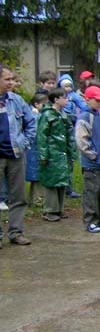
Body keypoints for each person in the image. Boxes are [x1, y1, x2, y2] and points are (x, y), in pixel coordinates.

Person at [0, 64, 36, 246]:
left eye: (12, 79)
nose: (11, 82)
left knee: (18, 196)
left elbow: (31, 123)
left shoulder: (16, 100)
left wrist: (25, 143)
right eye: (7, 79)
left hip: (15, 154)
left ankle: (16, 232)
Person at [75, 86, 100, 233]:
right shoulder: (84, 117)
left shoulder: (99, 115)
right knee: (91, 193)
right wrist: (93, 155)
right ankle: (90, 221)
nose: (99, 103)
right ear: (87, 100)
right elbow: (81, 140)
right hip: (92, 164)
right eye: (96, 100)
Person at [37, 88, 76, 222]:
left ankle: (59, 208)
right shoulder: (47, 115)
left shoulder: (63, 115)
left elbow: (69, 134)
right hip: (52, 153)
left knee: (61, 180)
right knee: (51, 182)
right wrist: (43, 155)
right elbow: (42, 136)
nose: (67, 100)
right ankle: (49, 210)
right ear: (56, 99)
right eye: (64, 97)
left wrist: (72, 152)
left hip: (62, 153)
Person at [57, 74, 85, 198]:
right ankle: (61, 187)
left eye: (69, 86)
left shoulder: (74, 96)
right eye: (65, 86)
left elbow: (83, 105)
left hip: (72, 126)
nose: (67, 88)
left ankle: (69, 188)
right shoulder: (57, 97)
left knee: (70, 160)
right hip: (61, 129)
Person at [26, 93, 48, 206]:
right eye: (44, 104)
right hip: (35, 150)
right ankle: (38, 199)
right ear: (36, 104)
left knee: (36, 177)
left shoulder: (34, 114)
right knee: (38, 176)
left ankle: (33, 199)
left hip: (33, 150)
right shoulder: (35, 116)